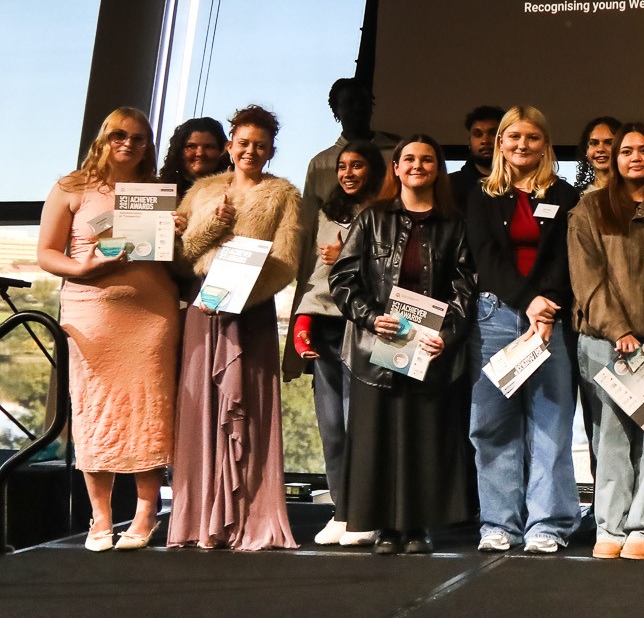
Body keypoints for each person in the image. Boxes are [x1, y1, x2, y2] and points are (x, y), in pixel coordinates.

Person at [35, 107, 182, 552]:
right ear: (103, 137)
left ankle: (145, 513)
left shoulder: (157, 191)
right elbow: (46, 253)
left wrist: (178, 230)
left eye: (138, 138)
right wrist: (82, 268)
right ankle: (100, 518)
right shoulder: (70, 187)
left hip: (152, 316)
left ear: (148, 145)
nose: (128, 143)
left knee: (149, 409)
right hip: (91, 313)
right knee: (94, 409)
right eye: (120, 134)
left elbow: (177, 259)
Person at [327, 136, 478, 555]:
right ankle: (385, 529)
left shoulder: (455, 223)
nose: (417, 165)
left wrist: (446, 334)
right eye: (408, 159)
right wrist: (371, 317)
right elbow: (342, 279)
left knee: (424, 438)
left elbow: (466, 287)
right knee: (378, 438)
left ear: (438, 169)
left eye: (427, 159)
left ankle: (417, 528)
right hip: (377, 346)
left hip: (429, 347)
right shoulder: (372, 218)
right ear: (395, 168)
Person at [170, 104, 303, 550]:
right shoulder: (202, 191)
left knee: (250, 412)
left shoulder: (283, 194)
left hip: (251, 314)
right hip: (203, 311)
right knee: (202, 410)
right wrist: (212, 225)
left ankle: (250, 517)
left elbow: (286, 262)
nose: (251, 151)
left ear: (271, 151)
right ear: (230, 146)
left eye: (260, 145)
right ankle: (200, 519)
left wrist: (241, 295)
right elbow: (181, 258)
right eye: (244, 143)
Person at [464, 105, 581, 554]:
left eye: (532, 137)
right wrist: (527, 301)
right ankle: (499, 524)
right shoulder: (481, 195)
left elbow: (565, 258)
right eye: (513, 137)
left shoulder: (565, 195)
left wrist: (544, 305)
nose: (522, 145)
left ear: (545, 144)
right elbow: (486, 256)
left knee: (551, 424)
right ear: (500, 142)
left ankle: (547, 525)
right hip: (494, 317)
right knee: (491, 425)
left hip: (550, 319)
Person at [568, 123, 644, 560]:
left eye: (643, 150)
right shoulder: (587, 209)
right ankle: (610, 526)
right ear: (614, 159)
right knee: (608, 435)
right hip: (603, 341)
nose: (635, 157)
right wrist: (620, 331)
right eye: (626, 150)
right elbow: (586, 279)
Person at [291, 141, 386, 547]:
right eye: (343, 167)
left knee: (360, 424)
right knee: (332, 426)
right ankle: (342, 509)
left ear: (374, 170)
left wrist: (349, 254)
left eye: (357, 166)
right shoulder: (328, 213)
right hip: (327, 324)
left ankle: (367, 512)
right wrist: (303, 320)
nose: (348, 173)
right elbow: (318, 273)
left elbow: (395, 273)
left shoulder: (388, 214)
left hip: (368, 325)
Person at [299, 79, 402, 296]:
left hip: (383, 275)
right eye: (349, 103)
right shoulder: (321, 163)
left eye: (363, 102)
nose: (357, 109)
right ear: (336, 111)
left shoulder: (397, 153)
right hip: (327, 282)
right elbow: (308, 227)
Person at [157, 116, 228, 202]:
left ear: (222, 151)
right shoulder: (158, 191)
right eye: (191, 146)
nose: (200, 153)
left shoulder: (233, 190)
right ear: (179, 151)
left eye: (208, 147)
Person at [449, 104, 506, 208]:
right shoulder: (449, 185)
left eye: (493, 133)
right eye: (478, 134)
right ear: (469, 141)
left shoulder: (520, 183)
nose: (485, 141)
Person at [573, 116, 623, 193]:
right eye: (594, 143)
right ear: (586, 150)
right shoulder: (578, 196)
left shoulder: (633, 194)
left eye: (609, 143)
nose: (600, 149)